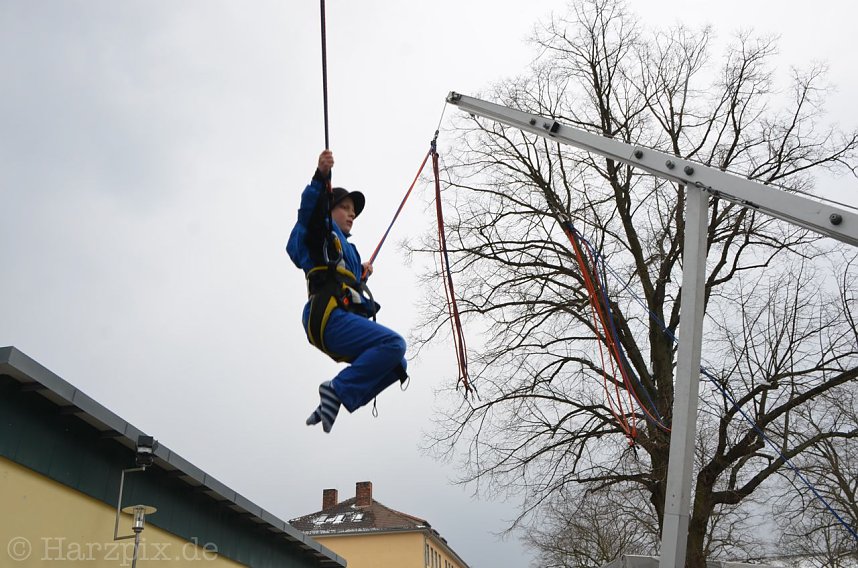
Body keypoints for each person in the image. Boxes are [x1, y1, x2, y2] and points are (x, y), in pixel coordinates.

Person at [287, 149, 408, 433]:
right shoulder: (320, 232)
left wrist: (360, 273)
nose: (352, 214)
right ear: (328, 209)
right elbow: (309, 215)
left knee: (397, 363)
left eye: (354, 211)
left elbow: (342, 272)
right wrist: (320, 176)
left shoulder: (344, 248)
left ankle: (336, 397)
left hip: (339, 319)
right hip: (328, 316)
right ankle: (338, 390)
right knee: (394, 344)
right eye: (345, 207)